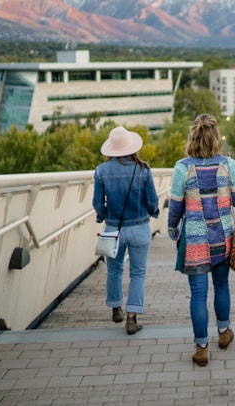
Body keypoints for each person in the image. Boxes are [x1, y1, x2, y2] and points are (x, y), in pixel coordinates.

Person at [167, 114, 235, 366]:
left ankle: (201, 347)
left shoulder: (182, 167)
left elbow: (175, 208)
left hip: (194, 240)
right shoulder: (228, 165)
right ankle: (224, 334)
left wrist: (173, 231)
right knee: (222, 286)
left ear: (193, 137)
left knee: (198, 295)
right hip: (222, 239)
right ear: (216, 138)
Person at [93, 126, 160, 335]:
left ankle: (116, 308)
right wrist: (155, 212)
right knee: (138, 273)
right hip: (139, 228)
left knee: (114, 270)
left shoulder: (101, 171)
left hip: (114, 228)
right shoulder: (143, 169)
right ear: (131, 147)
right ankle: (132, 317)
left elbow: (97, 203)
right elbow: (152, 200)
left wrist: (103, 216)